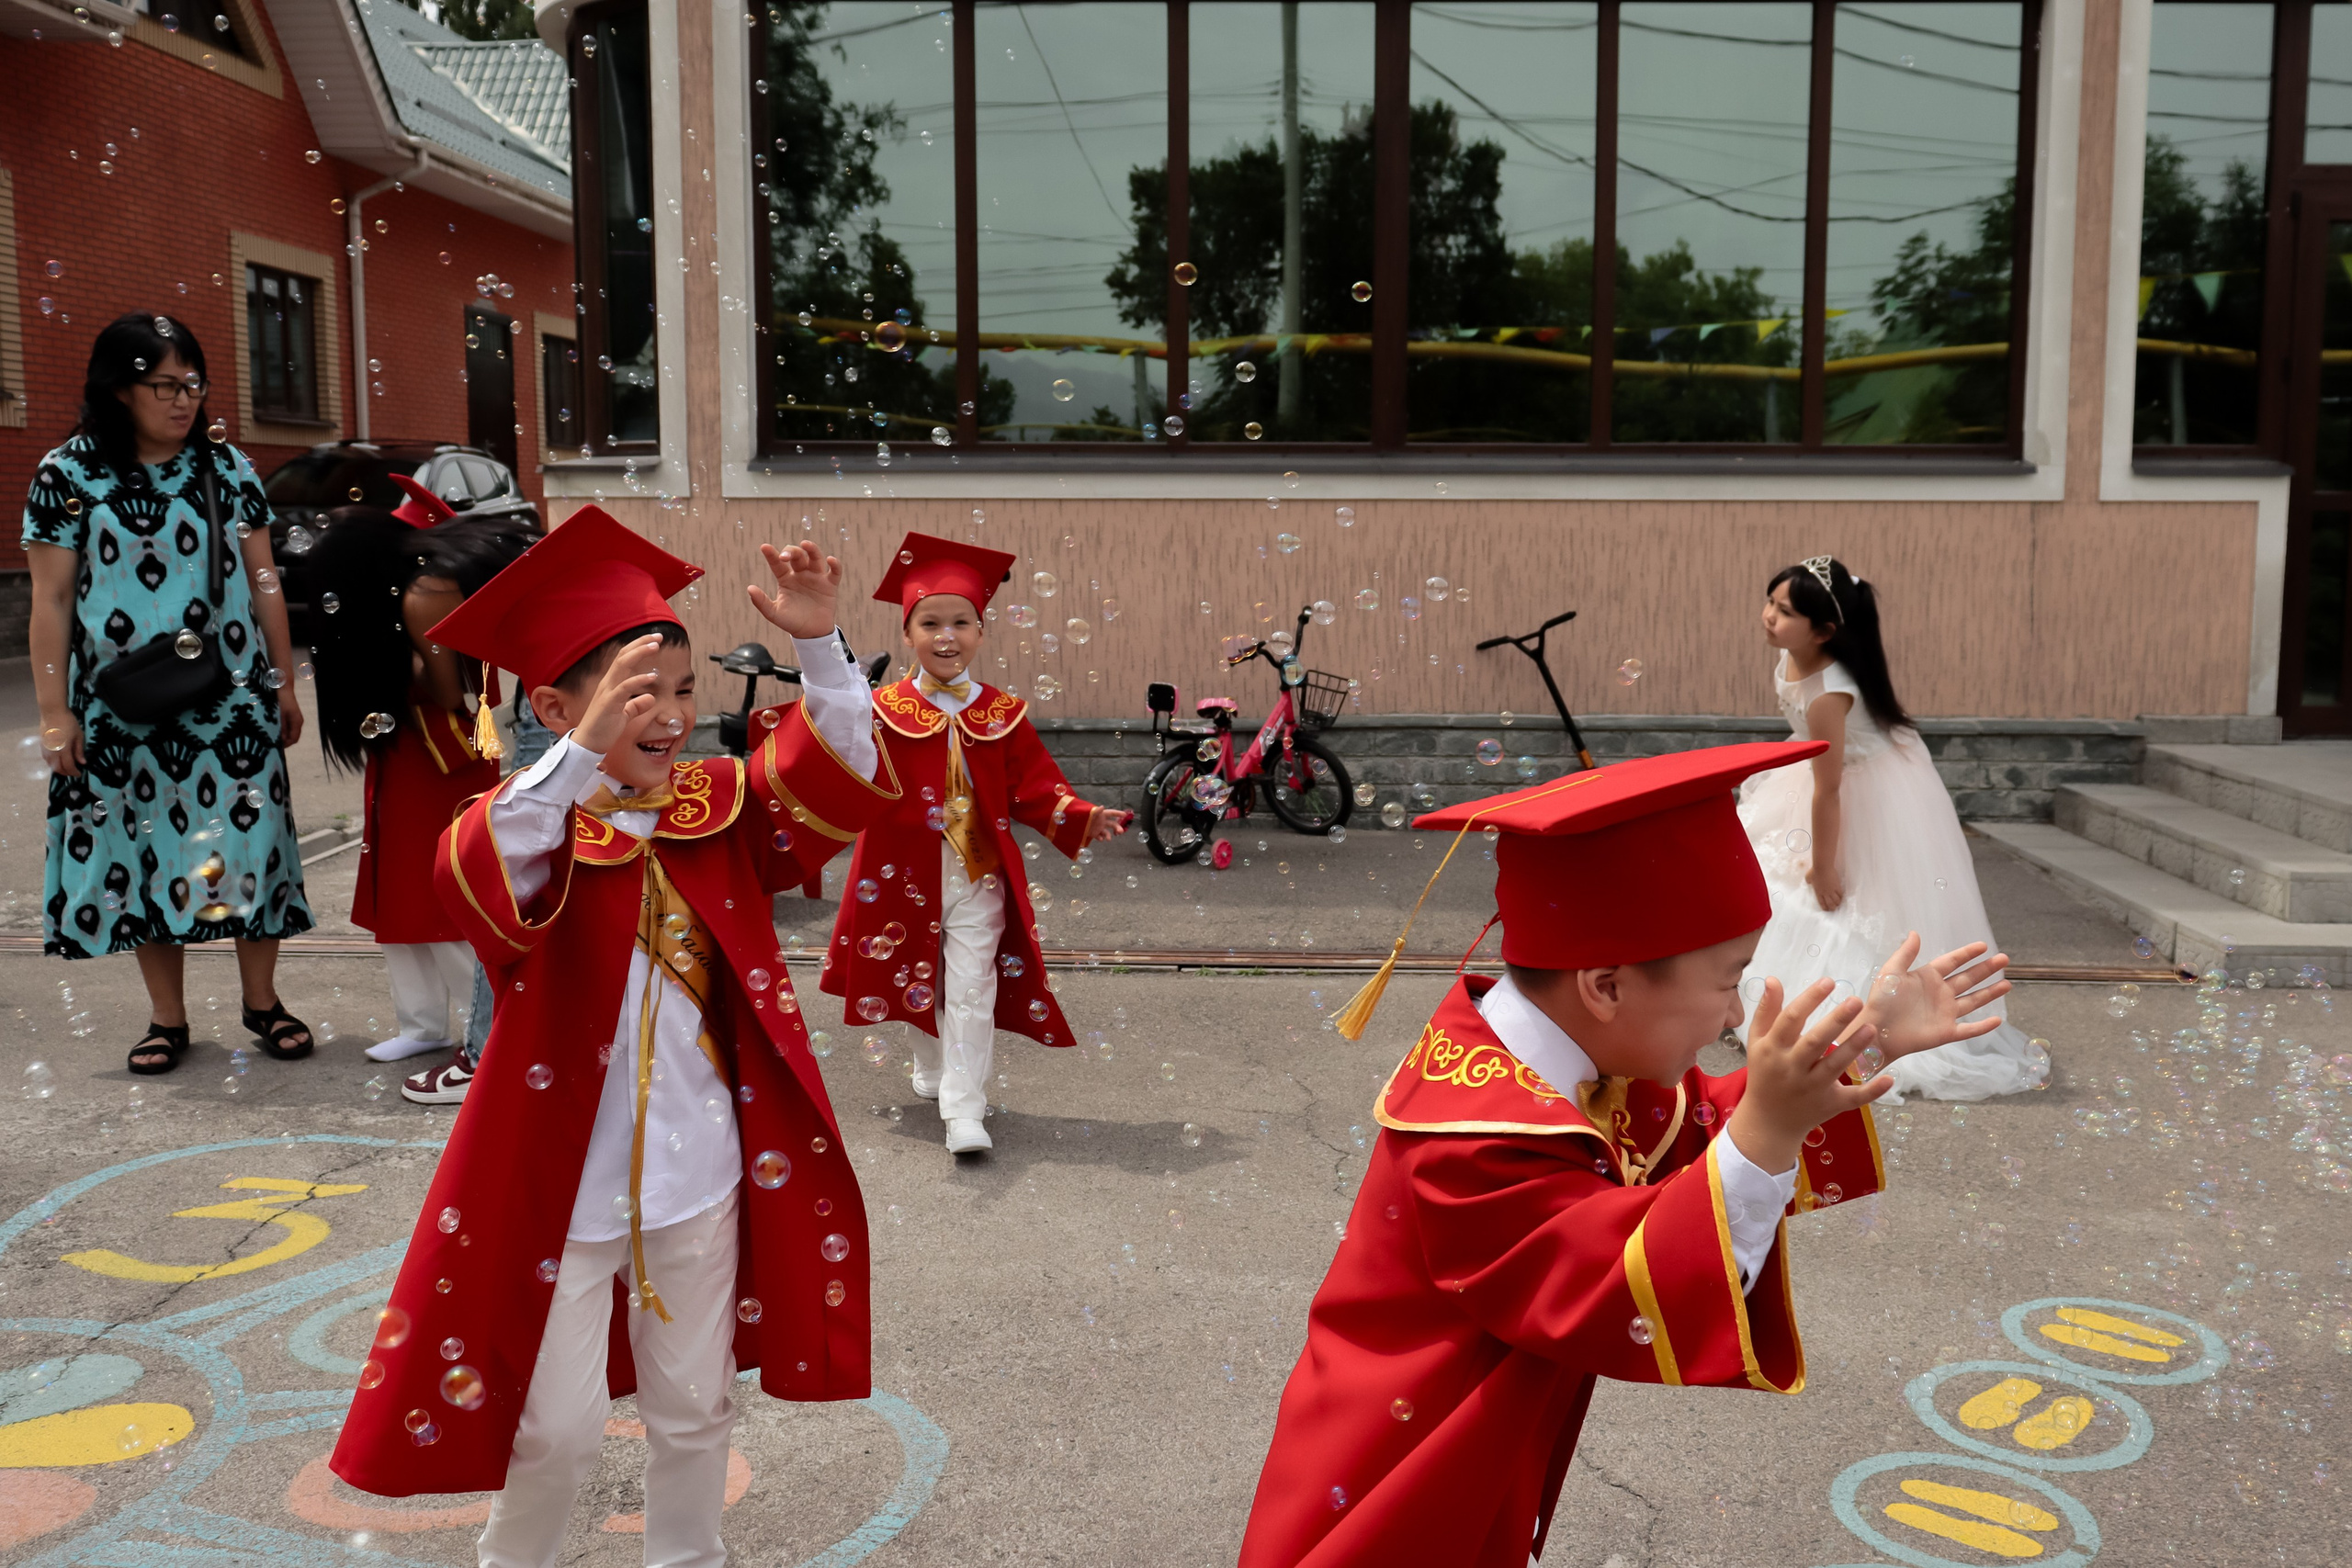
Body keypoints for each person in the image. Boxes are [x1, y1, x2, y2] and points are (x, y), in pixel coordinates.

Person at [1238, 744, 2014, 1566]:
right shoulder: (1469, 1139)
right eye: (1730, 979)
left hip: (1469, 1450)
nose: (1732, 1017)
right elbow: (1614, 1279)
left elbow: (1696, 1131)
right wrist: (1771, 1129)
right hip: (1396, 1481)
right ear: (1606, 987)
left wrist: (1861, 1040)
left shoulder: (1576, 1059)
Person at [329, 507, 896, 1568]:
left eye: (682, 691)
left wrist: (820, 646)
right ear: (553, 705)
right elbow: (479, 873)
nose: (671, 716)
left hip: (704, 1174)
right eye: (639, 693)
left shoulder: (719, 806)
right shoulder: (528, 828)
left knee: (695, 1411)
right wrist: (577, 760)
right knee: (552, 1428)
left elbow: (839, 782)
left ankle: (689, 1558)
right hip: (561, 1187)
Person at [23, 311, 315, 1074]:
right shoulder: (67, 475)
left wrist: (282, 681)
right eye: (165, 385)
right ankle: (167, 1018)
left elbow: (264, 581)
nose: (184, 400)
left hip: (231, 697)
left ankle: (263, 1001)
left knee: (250, 846)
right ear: (118, 390)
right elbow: (50, 602)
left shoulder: (227, 466)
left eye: (193, 383)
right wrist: (55, 716)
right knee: (142, 854)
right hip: (120, 705)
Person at [821, 531, 1133, 1155]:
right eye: (930, 621)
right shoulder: (878, 712)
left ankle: (965, 1108)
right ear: (907, 635)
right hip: (899, 870)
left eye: (961, 621)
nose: (946, 635)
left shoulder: (1003, 714)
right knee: (911, 975)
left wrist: (1083, 815)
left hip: (979, 875)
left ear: (982, 633)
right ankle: (933, 1066)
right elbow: (838, 766)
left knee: (970, 985)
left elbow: (1039, 789)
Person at [1736, 556, 2049, 1100]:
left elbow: (1829, 790)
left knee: (1845, 896)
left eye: (1783, 611)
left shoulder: (1831, 691)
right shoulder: (1794, 655)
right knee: (1770, 873)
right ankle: (1763, 995)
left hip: (1861, 787)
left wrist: (1824, 864)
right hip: (1817, 774)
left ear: (1825, 631)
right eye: (1769, 602)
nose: (1768, 616)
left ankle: (1862, 1017)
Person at [305, 482, 537, 1072]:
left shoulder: (432, 594)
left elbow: (452, 693)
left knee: (445, 897)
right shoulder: (411, 591)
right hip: (405, 756)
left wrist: (398, 662)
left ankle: (486, 1028)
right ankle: (422, 1024)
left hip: (447, 761)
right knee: (399, 897)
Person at [404, 690, 558, 1106]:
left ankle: (483, 1055)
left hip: (555, 724)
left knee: (504, 894)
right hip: (552, 719)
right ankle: (496, 1050)